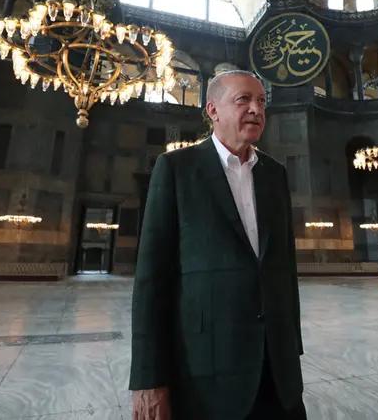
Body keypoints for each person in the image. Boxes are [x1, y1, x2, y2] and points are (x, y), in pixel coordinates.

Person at [129, 70, 306, 420]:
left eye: (261, 102)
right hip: (205, 375)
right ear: (212, 110)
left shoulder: (275, 174)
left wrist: (292, 350)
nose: (256, 109)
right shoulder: (176, 169)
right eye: (244, 100)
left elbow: (285, 270)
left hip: (278, 375)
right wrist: (148, 379)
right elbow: (151, 280)